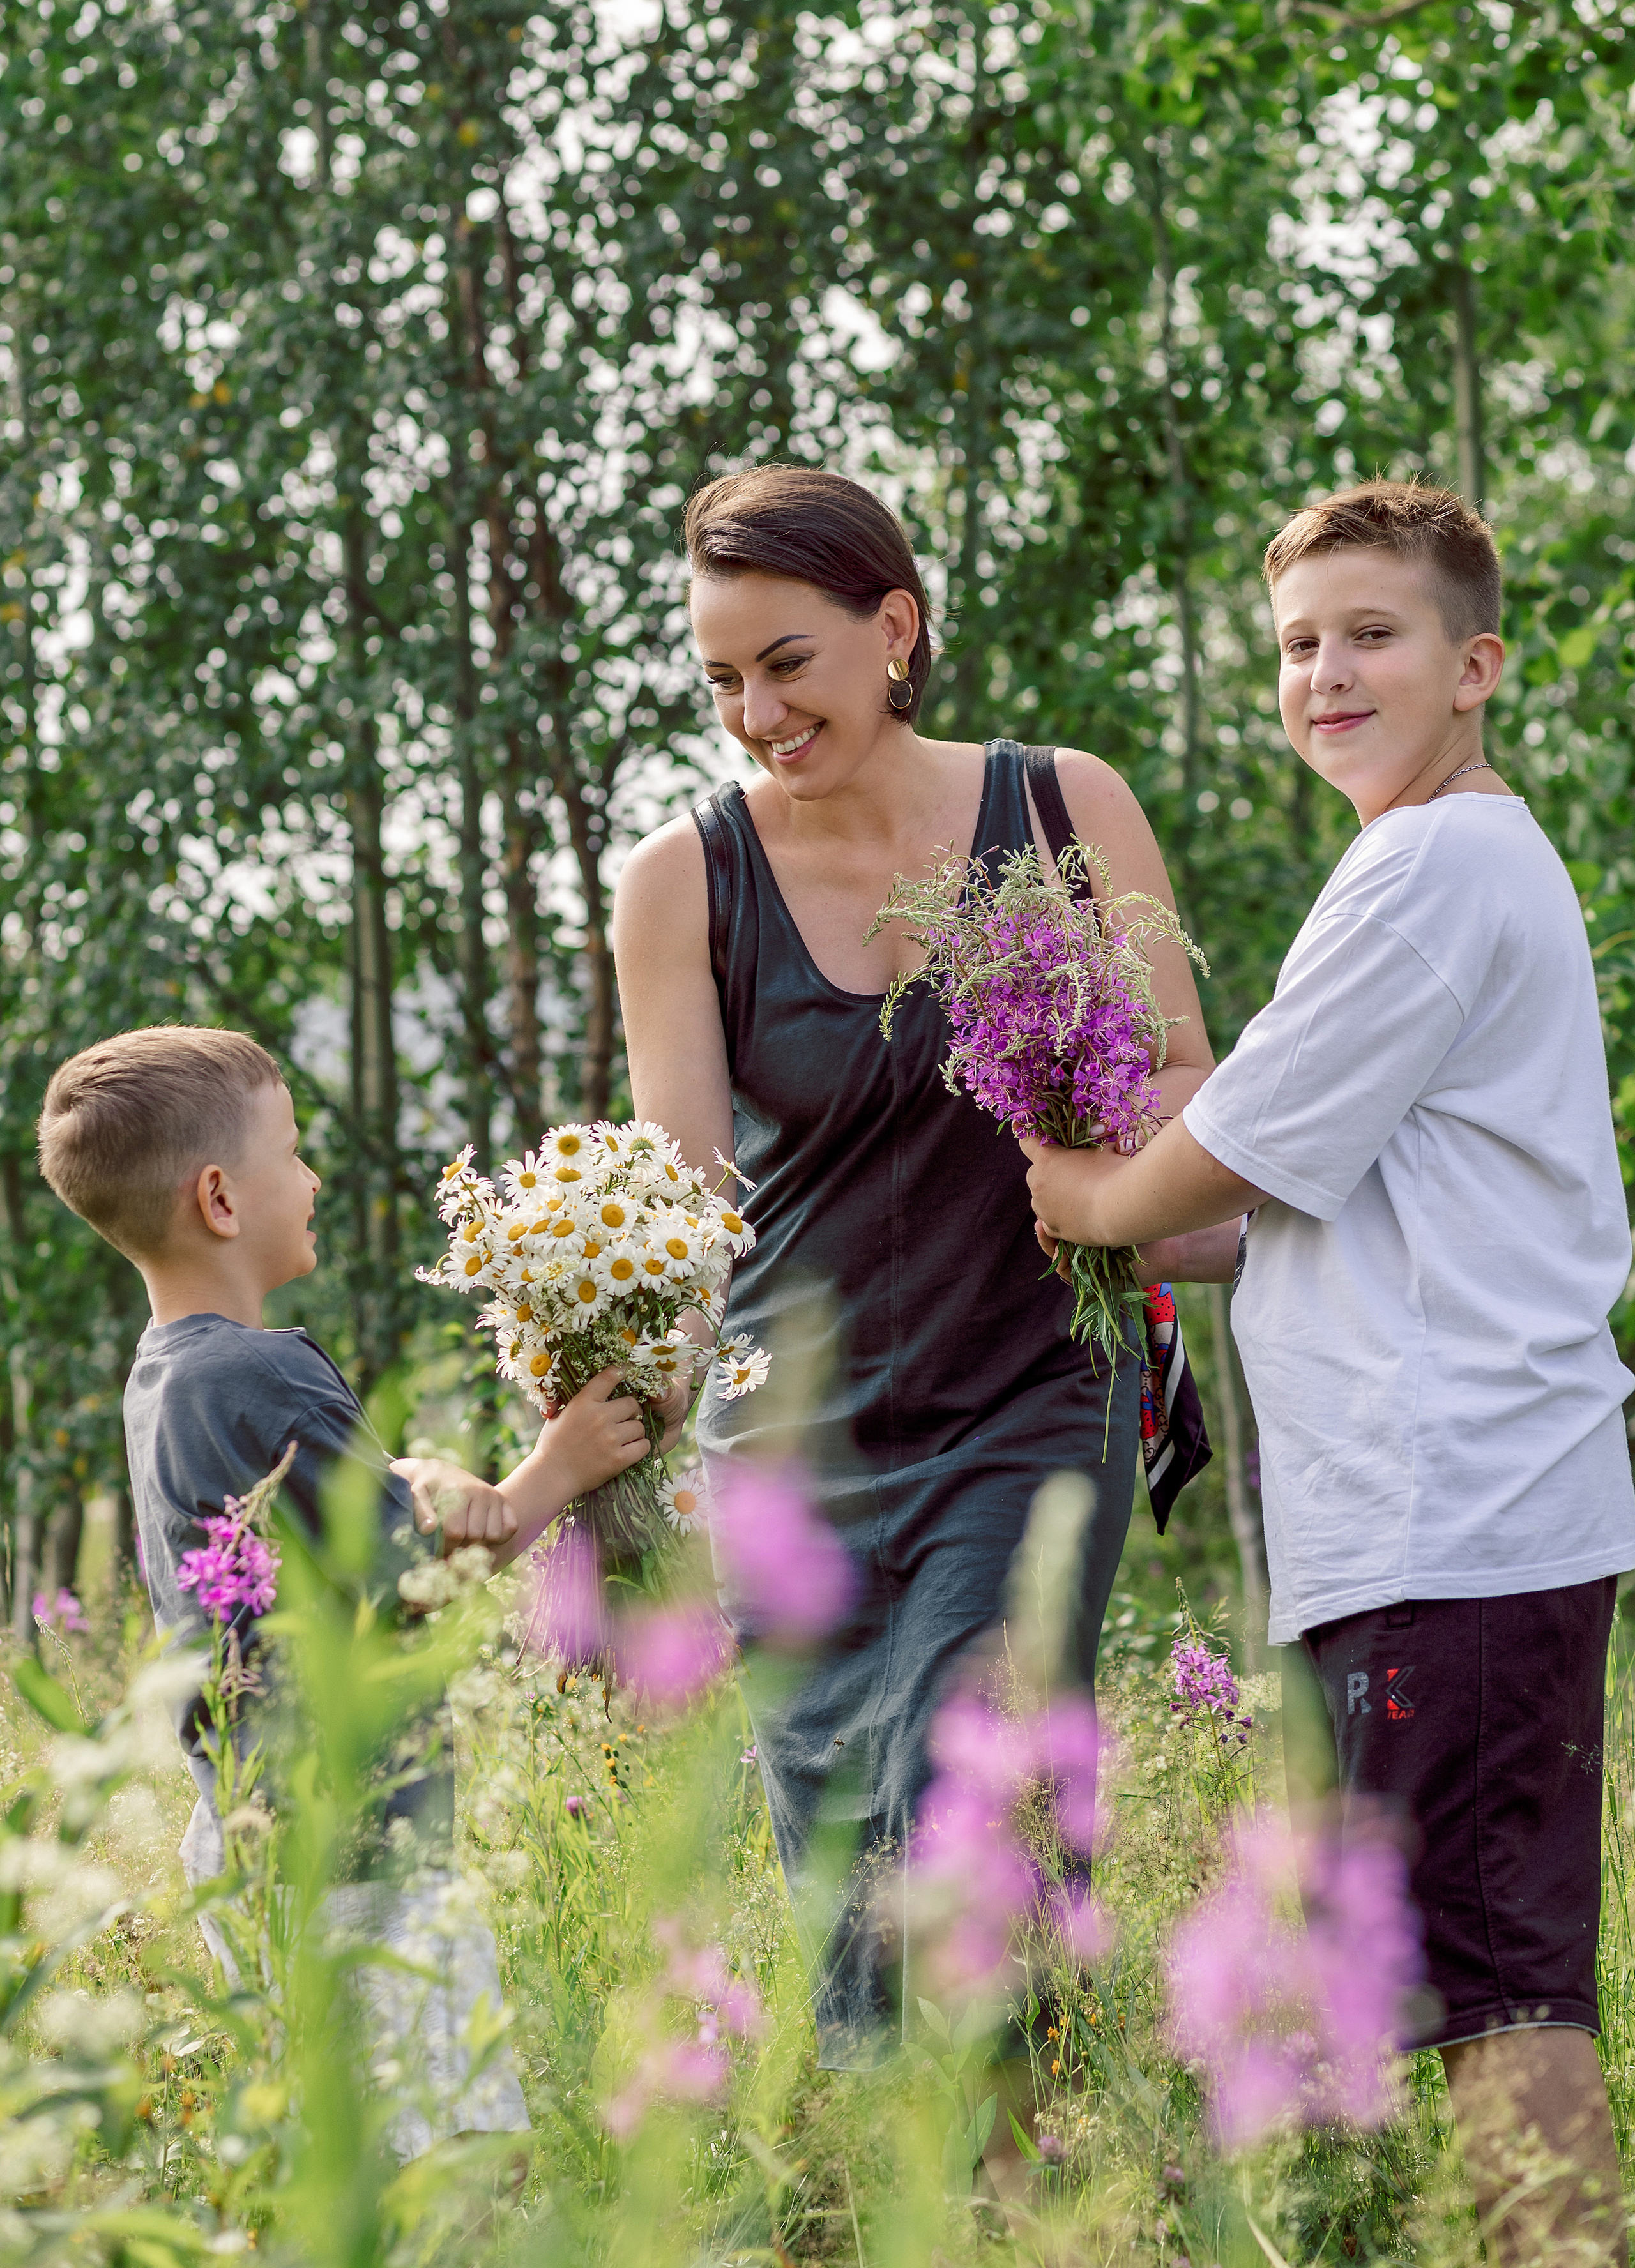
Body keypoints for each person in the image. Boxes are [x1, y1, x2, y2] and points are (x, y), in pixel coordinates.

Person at [1022, 481, 1635, 2265]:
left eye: (1373, 634)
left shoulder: (1436, 865)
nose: (1326, 673)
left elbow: (1206, 1162)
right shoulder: (1434, 859)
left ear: (1478, 665)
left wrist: (1078, 1193)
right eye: (1298, 644)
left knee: (1496, 1993)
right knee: (1472, 1974)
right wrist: (1129, 1216)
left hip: (1459, 1515)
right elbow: (1283, 1204)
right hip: (1452, 1518)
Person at [612, 464, 1229, 2068]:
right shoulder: (681, 880)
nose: (753, 712)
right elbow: (685, 1217)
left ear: (893, 629)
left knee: (985, 1795)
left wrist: (1093, 1137)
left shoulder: (1061, 806)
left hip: (1029, 1401)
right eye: (722, 680)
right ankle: (917, 2195)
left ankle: (1023, 2181)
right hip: (794, 1452)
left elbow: (1182, 1084)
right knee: (853, 1878)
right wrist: (582, 1454)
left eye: (786, 663)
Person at [36, 1024, 653, 2153]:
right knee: (454, 2161)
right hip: (360, 1848)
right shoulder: (269, 1373)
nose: (312, 1179)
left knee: (339, 2154)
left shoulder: (170, 1378)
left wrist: (418, 1471)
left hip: (249, 1833)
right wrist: (554, 1467)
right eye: (295, 1152)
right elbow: (412, 1585)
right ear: (220, 1197)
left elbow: (307, 1515)